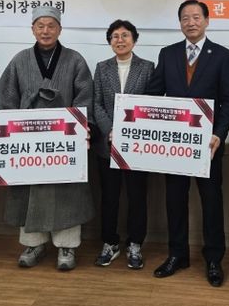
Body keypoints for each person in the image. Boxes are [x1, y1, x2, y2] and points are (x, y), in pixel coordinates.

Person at [0, 5, 94, 271]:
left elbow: (85, 99)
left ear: (60, 29)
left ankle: (67, 245)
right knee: (29, 190)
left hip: (63, 142)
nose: (46, 31)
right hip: (28, 144)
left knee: (67, 191)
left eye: (51, 26)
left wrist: (83, 128)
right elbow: (4, 98)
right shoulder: (20, 60)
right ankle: (33, 244)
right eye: (40, 26)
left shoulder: (75, 60)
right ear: (33, 29)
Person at [147, 0, 229, 287]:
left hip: (208, 144)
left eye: (196, 17)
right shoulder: (168, 53)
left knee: (212, 203)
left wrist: (219, 134)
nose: (191, 22)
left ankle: (214, 260)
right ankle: (177, 254)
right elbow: (153, 95)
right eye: (185, 18)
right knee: (175, 200)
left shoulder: (222, 55)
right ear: (180, 23)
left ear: (207, 21)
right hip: (175, 145)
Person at [92, 19, 154, 269]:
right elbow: (96, 103)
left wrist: (130, 131)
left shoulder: (148, 67)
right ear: (110, 41)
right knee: (109, 197)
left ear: (134, 40)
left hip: (137, 145)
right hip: (107, 146)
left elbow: (151, 103)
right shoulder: (101, 68)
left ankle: (135, 244)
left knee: (137, 197)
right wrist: (110, 130)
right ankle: (110, 242)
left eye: (125, 35)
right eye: (115, 36)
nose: (120, 40)